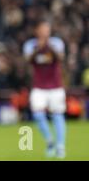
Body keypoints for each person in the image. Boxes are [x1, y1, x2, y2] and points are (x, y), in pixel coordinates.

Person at [23, 20, 67, 159]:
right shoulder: (30, 44)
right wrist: (38, 48)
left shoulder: (57, 43)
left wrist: (48, 46)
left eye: (47, 29)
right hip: (39, 87)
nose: (45, 32)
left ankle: (60, 146)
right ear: (37, 31)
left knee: (58, 115)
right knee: (37, 115)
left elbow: (60, 58)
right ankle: (49, 141)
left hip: (56, 86)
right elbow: (28, 60)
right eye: (42, 29)